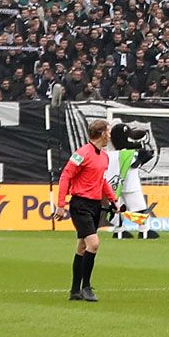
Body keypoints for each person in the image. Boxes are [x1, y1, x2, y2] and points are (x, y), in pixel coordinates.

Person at [55, 118, 116, 302]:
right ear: (102, 133)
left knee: (82, 246)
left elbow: (102, 180)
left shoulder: (104, 156)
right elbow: (66, 175)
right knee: (94, 244)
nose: (110, 135)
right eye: (109, 131)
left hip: (95, 205)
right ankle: (86, 287)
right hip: (80, 204)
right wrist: (60, 204)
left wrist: (113, 200)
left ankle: (75, 291)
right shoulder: (82, 153)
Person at [106, 121, 158, 239]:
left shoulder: (111, 154)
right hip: (131, 186)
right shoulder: (129, 154)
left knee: (117, 207)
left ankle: (119, 231)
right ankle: (144, 231)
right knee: (139, 208)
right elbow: (137, 162)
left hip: (114, 186)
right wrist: (142, 158)